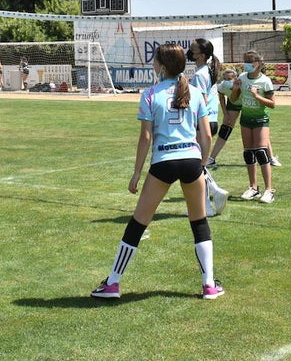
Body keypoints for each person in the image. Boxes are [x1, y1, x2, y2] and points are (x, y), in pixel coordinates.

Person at [91, 43, 220, 300]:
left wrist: (136, 173)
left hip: (164, 162)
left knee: (138, 222)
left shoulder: (150, 94)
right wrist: (202, 164)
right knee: (199, 222)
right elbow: (205, 136)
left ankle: (113, 283)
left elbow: (145, 138)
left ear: (161, 66)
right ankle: (209, 286)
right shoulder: (195, 93)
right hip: (191, 160)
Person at [188, 38, 230, 216]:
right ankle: (214, 193)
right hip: (210, 120)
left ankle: (208, 202)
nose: (189, 52)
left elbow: (201, 101)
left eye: (193, 49)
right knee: (197, 165)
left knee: (195, 167)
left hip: (203, 121)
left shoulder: (199, 75)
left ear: (202, 55)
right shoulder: (207, 71)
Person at [232, 50, 277, 204]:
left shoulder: (265, 81)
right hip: (246, 119)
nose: (246, 64)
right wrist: (236, 89)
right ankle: (253, 187)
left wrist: (257, 96)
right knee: (248, 153)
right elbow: (233, 99)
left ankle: (269, 190)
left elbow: (272, 104)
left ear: (258, 64)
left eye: (249, 61)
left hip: (260, 119)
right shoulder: (242, 78)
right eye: (245, 61)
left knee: (261, 152)